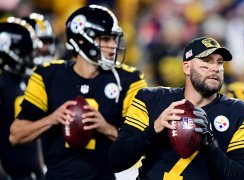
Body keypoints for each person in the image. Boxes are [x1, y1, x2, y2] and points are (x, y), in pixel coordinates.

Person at [9, 4, 147, 180]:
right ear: (81, 40)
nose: (113, 45)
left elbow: (142, 142)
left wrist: (106, 128)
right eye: (105, 39)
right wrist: (52, 118)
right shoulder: (48, 75)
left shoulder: (129, 79)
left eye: (114, 39)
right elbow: (15, 135)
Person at [109, 36, 244, 179]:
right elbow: (116, 161)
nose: (215, 68)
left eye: (220, 62)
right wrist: (154, 129)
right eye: (207, 61)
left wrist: (211, 145)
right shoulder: (150, 99)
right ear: (186, 67)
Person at [0, 17, 44, 180]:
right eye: (28, 52)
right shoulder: (2, 84)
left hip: (29, 173)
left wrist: (40, 170)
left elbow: (34, 137)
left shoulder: (26, 82)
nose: (32, 58)